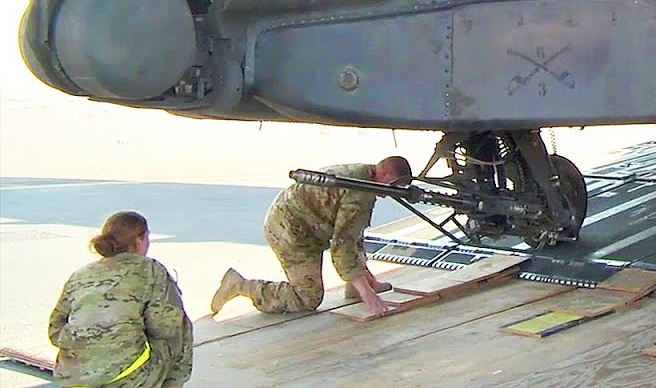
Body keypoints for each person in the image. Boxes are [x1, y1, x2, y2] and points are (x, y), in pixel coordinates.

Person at [209, 156, 414, 317]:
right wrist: (369, 296)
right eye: (396, 186)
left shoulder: (364, 177)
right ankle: (241, 285)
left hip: (305, 222)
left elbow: (352, 234)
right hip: (289, 232)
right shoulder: (359, 191)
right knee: (307, 298)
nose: (396, 192)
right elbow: (342, 245)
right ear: (385, 174)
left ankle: (357, 285)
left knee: (355, 231)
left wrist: (365, 282)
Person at [48, 211, 193, 388]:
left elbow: (55, 328)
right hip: (126, 377)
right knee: (180, 325)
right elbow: (167, 327)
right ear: (140, 240)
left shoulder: (81, 274)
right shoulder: (150, 270)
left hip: (73, 378)